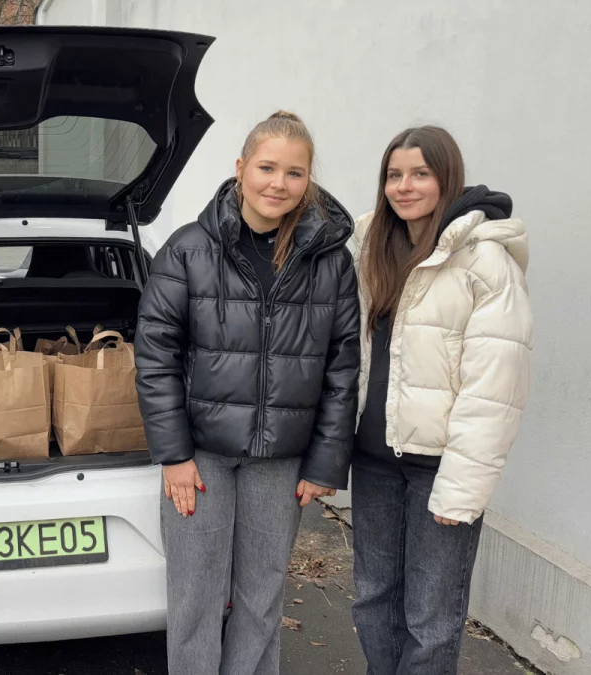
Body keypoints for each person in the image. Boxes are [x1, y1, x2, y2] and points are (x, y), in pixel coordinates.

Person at [135, 111, 361, 675]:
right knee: (196, 596)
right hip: (202, 457)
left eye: (294, 172)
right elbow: (156, 356)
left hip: (281, 459)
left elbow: (342, 365)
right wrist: (174, 455)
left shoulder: (331, 262)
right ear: (240, 168)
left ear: (308, 179)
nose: (278, 183)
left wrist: (325, 461)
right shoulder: (188, 250)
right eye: (266, 167)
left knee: (262, 599)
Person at [349, 126, 532, 675]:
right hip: (374, 461)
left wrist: (461, 489)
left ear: (446, 177)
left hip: (439, 470)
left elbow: (494, 389)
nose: (404, 187)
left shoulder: (486, 262)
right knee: (373, 600)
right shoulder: (371, 247)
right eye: (394, 175)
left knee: (430, 618)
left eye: (420, 174)